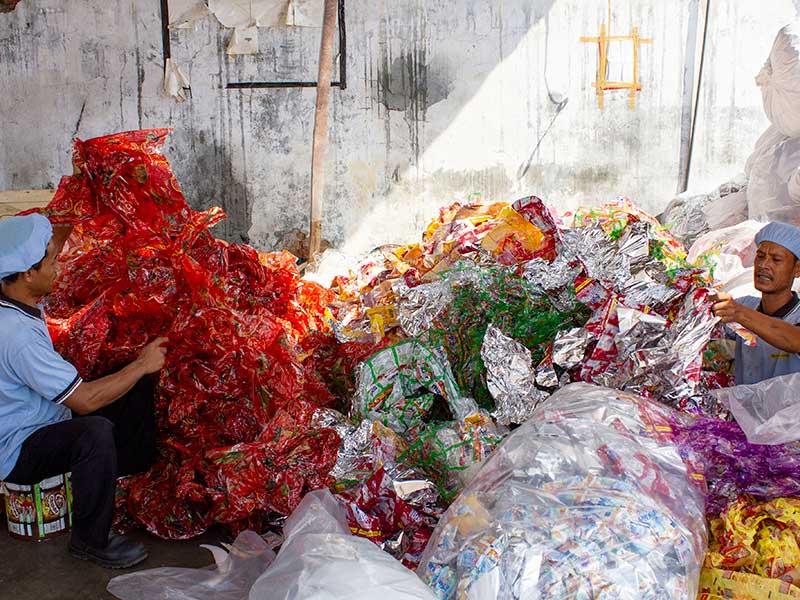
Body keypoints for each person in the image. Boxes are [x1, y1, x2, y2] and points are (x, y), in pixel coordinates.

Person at [0, 213, 168, 568]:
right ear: (27, 274)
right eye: (51, 262)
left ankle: (121, 484)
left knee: (128, 387)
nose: (58, 267)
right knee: (94, 432)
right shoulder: (14, 334)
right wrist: (142, 363)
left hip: (40, 417)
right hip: (16, 449)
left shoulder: (16, 301)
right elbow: (86, 401)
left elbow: (51, 240)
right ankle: (91, 539)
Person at [712, 221, 800, 385]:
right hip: (745, 408)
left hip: (789, 410)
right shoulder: (746, 304)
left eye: (776, 259)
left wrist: (739, 313)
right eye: (760, 256)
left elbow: (794, 340)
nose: (763, 265)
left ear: (797, 269)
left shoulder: (742, 310)